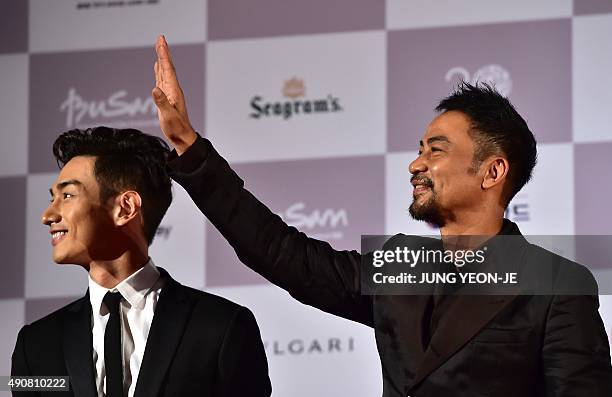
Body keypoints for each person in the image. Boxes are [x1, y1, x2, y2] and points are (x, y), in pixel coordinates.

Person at [152, 35, 612, 396]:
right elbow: (280, 252)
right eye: (417, 150)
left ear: (493, 171)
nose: (415, 164)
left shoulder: (555, 287)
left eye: (436, 150)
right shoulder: (399, 266)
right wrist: (190, 150)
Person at [11, 126, 272, 397]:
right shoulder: (34, 345)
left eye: (67, 196)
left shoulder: (222, 327)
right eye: (52, 198)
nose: (47, 215)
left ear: (125, 208)